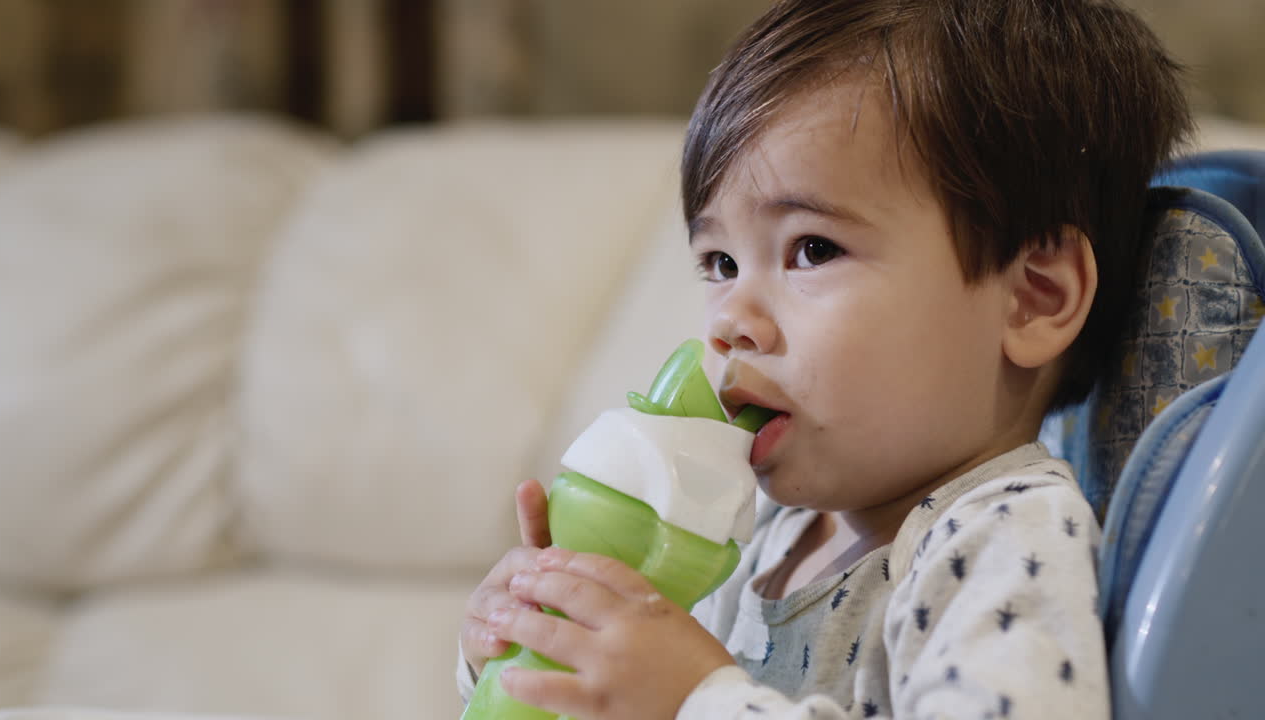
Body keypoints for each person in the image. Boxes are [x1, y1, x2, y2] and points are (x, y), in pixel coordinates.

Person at [457, 0, 1193, 717]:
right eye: (718, 262)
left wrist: (697, 701)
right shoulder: (759, 530)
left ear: (1033, 298)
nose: (730, 322)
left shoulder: (1005, 541)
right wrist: (540, 645)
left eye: (811, 249)